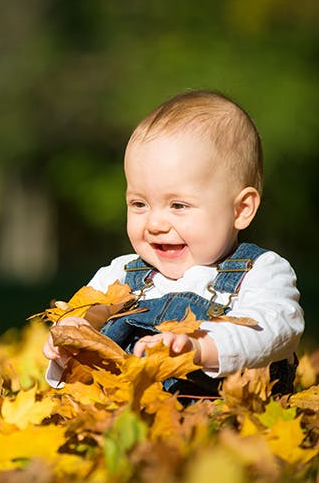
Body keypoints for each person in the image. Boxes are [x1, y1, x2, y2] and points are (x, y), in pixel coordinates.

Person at [42, 90, 304, 397]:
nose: (155, 224)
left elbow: (276, 330)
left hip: (227, 417)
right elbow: (89, 308)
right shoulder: (123, 273)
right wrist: (75, 332)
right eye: (139, 204)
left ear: (241, 209)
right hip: (131, 411)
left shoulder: (262, 271)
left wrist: (202, 347)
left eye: (178, 206)